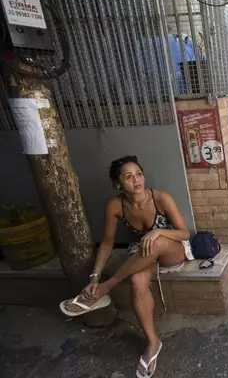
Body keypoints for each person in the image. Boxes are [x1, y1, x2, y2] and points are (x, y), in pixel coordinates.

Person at [60, 155, 194, 378]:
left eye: (139, 174)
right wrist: (94, 276)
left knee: (156, 242)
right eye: (128, 177)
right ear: (118, 184)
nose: (136, 180)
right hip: (142, 253)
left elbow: (184, 232)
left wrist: (158, 231)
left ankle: (106, 289)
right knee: (136, 280)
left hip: (172, 248)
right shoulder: (115, 205)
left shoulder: (160, 197)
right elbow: (108, 242)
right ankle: (153, 342)